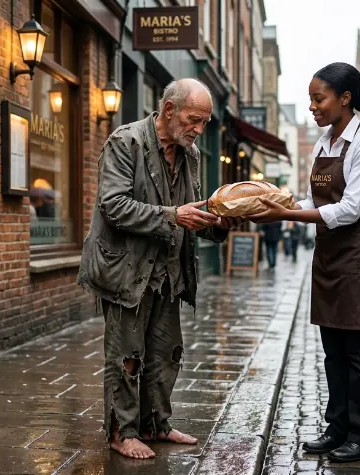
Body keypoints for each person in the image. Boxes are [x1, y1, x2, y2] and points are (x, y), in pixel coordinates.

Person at [77, 78, 241, 460]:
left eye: (204, 123)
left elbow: (189, 213)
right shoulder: (125, 142)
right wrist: (173, 215)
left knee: (167, 352)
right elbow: (113, 206)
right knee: (127, 355)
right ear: (170, 110)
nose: (199, 130)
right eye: (193, 120)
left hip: (168, 271)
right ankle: (122, 431)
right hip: (125, 271)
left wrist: (217, 224)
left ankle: (157, 424)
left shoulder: (191, 154)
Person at [248, 62, 360, 463]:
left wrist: (285, 216)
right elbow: (316, 202)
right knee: (332, 349)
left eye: (318, 98)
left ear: (345, 100)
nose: (312, 106)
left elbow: (348, 209)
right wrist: (280, 203)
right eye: (310, 98)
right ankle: (338, 427)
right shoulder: (324, 142)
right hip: (328, 254)